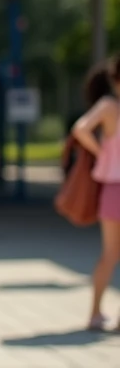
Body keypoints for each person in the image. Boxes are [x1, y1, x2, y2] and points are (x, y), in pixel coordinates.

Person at [71, 55, 120, 331]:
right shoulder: (111, 107)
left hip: (113, 189)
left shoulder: (109, 107)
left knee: (109, 254)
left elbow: (80, 129)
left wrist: (102, 153)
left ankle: (95, 313)